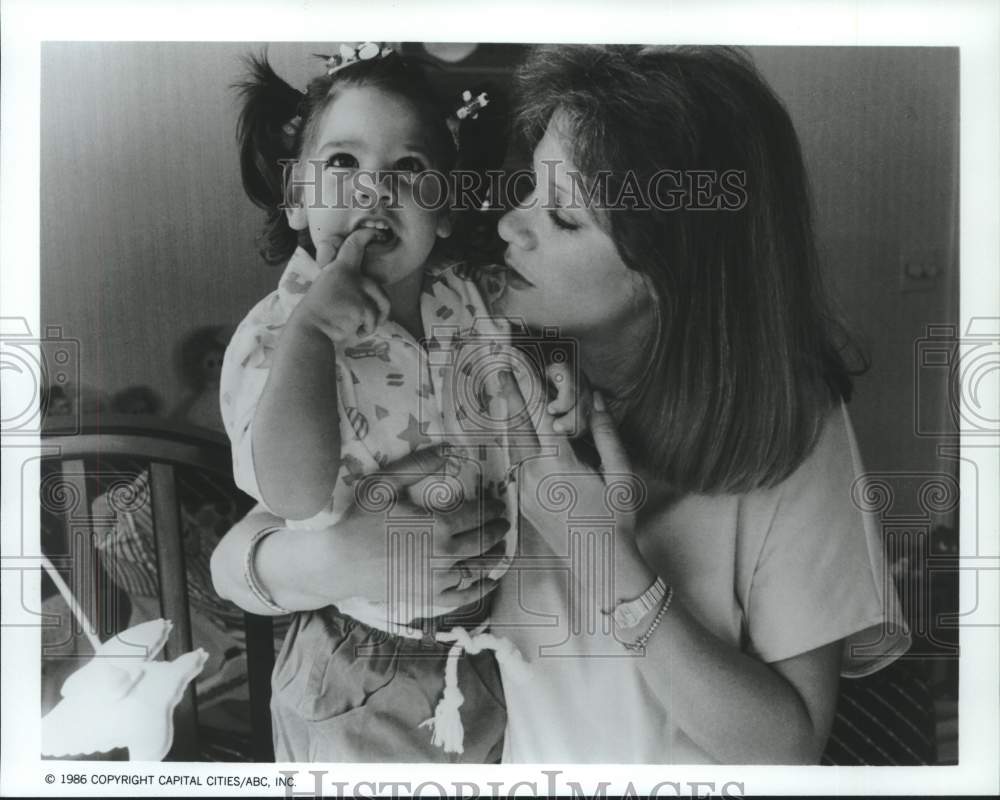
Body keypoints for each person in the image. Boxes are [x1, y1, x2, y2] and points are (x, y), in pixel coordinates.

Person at [213, 44, 909, 765]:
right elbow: (241, 552)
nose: (511, 225)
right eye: (527, 188)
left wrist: (605, 559)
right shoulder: (496, 343)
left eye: (563, 217)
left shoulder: (793, 428)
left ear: (670, 267)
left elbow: (785, 753)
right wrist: (334, 559)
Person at [219, 45, 576, 762]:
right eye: (343, 165)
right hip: (360, 668)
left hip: (485, 646)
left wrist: (557, 383)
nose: (373, 191)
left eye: (408, 171)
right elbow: (292, 492)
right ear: (296, 197)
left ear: (444, 211)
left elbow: (518, 373)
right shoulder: (275, 335)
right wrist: (314, 333)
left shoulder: (463, 296)